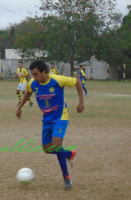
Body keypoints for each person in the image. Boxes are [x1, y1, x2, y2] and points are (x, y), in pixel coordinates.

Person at [16, 60, 84, 189]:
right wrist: (20, 107)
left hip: (60, 117)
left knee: (56, 144)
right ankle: (69, 154)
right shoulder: (34, 83)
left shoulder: (57, 80)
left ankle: (66, 177)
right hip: (47, 119)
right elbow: (29, 91)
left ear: (44, 72)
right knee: (47, 149)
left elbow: (77, 82)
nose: (34, 77)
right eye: (32, 75)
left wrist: (81, 103)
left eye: (36, 74)